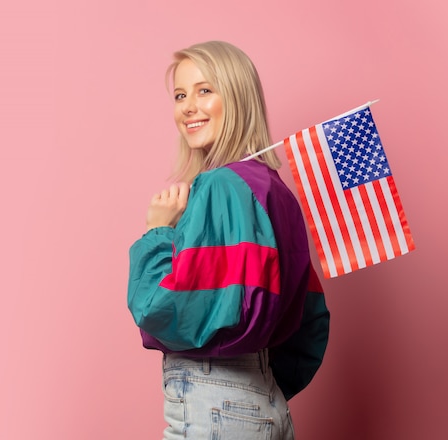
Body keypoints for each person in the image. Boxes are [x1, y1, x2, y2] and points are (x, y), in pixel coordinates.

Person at [127, 41, 330, 440]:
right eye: (180, 95)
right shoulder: (276, 192)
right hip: (266, 401)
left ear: (237, 97)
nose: (188, 106)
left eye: (205, 90)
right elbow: (311, 322)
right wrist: (256, 387)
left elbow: (160, 311)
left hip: (213, 403)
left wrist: (157, 232)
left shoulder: (219, 185)